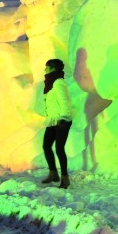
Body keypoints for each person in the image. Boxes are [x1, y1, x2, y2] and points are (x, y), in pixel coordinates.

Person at [41, 58, 74, 189]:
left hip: (62, 120)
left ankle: (65, 178)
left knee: (59, 148)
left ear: (52, 68)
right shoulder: (51, 82)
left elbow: (65, 101)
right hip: (54, 119)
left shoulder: (58, 82)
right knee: (46, 146)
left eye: (46, 67)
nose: (45, 69)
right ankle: (53, 173)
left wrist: (64, 117)